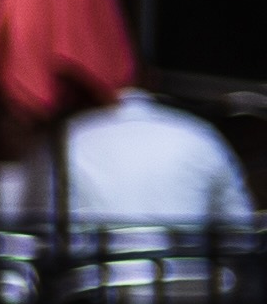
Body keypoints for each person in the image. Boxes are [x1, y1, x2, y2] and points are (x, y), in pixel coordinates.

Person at [19, 87, 259, 233]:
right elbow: (240, 231)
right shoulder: (201, 135)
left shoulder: (64, 140)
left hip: (91, 291)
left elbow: (36, 227)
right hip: (188, 291)